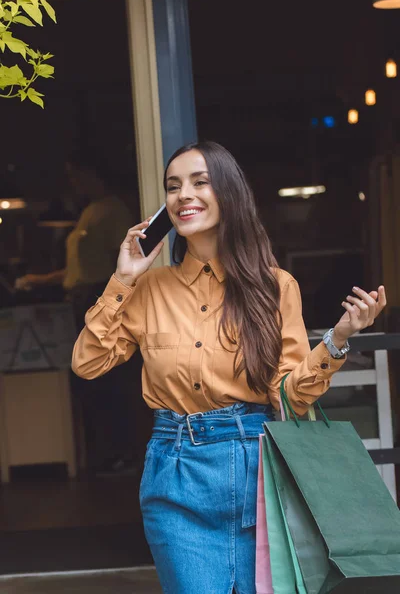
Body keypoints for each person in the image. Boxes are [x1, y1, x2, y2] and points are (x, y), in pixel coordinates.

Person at [71, 141, 386, 594]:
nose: (184, 195)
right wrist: (123, 278)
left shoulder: (275, 287)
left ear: (229, 194)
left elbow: (289, 396)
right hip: (175, 472)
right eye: (173, 187)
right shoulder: (148, 288)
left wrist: (336, 341)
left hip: (258, 472)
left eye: (200, 182)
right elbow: (87, 362)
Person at [18, 151, 139, 475]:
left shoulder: (112, 210)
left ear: (92, 173)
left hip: (100, 297)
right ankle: (104, 454)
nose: (72, 182)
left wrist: (116, 300)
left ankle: (122, 455)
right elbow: (78, 267)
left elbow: (123, 263)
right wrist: (38, 280)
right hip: (79, 298)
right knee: (88, 378)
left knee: (107, 378)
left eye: (75, 174)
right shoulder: (88, 211)